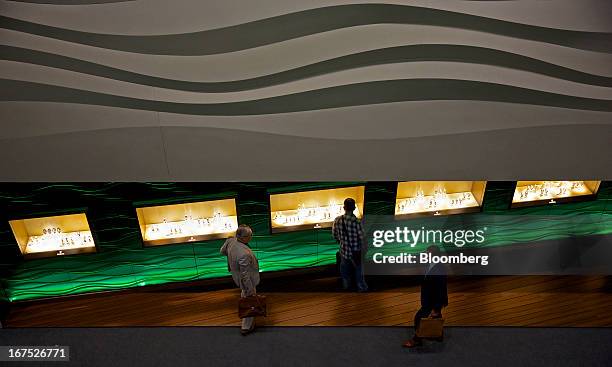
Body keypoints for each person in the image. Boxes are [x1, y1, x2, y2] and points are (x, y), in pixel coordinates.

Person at [403, 245, 448, 348]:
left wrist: (436, 307)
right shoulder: (432, 264)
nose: (425, 254)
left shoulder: (439, 270)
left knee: (418, 318)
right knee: (436, 317)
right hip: (429, 299)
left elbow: (441, 290)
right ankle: (438, 335)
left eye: (427, 253)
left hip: (432, 300)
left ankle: (416, 340)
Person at [220, 224, 260, 336]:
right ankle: (246, 326)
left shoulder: (231, 241)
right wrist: (250, 289)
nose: (251, 237)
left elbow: (222, 251)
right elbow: (245, 275)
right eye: (249, 235)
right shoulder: (244, 254)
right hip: (248, 281)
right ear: (242, 237)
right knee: (249, 300)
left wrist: (232, 262)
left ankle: (248, 323)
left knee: (246, 297)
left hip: (237, 276)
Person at [332, 198, 368, 292]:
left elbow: (334, 235)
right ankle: (361, 287)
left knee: (344, 269)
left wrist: (342, 243)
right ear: (354, 208)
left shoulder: (337, 220)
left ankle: (346, 286)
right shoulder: (356, 222)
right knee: (358, 269)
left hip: (344, 250)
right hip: (356, 251)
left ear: (344, 207)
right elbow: (362, 237)